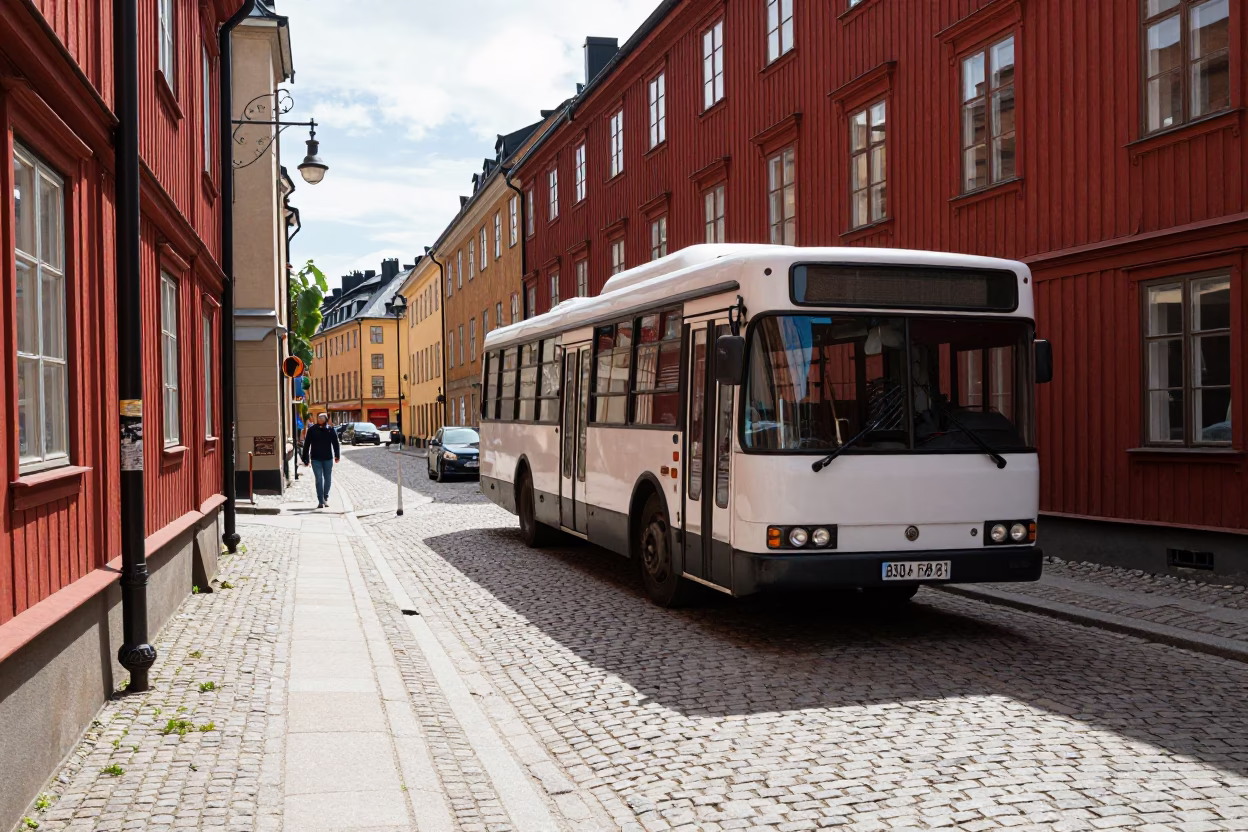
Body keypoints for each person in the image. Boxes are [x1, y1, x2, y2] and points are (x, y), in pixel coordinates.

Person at [302, 413, 340, 509]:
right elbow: (307, 444)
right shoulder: (312, 430)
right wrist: (305, 458)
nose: (319, 419)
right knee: (319, 479)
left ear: (326, 419)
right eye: (318, 418)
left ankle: (325, 497)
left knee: (328, 479)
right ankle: (320, 501)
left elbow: (335, 443)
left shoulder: (330, 430)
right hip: (315, 458)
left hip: (328, 458)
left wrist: (337, 455)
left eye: (322, 418)